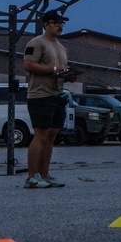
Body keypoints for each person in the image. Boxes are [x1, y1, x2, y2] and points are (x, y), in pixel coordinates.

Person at [22, 10, 76, 189]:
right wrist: (54, 70)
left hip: (57, 94)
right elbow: (29, 65)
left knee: (52, 135)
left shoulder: (62, 47)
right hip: (40, 95)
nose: (60, 25)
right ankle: (31, 177)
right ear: (46, 24)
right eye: (56, 22)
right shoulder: (36, 43)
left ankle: (44, 175)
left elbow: (60, 70)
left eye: (62, 22)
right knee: (41, 134)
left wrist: (68, 76)